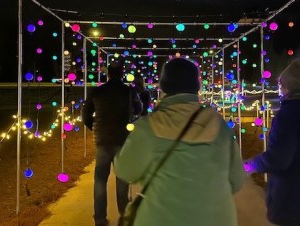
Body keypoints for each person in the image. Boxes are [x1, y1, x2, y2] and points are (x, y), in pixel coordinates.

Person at [114, 58, 246, 226]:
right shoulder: (219, 124)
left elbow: (126, 171)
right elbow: (237, 179)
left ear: (163, 86)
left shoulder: (148, 127)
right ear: (196, 86)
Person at [244, 59, 300, 226]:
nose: (279, 87)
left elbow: (277, 158)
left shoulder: (288, 114)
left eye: (281, 83)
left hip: (293, 203)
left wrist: (249, 166)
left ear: (290, 85)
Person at [82, 61, 142, 226]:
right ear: (122, 74)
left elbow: (85, 115)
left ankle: (100, 219)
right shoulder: (129, 91)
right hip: (123, 139)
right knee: (122, 178)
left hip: (102, 140)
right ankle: (124, 215)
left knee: (100, 180)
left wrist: (94, 128)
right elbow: (139, 109)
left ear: (108, 74)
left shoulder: (97, 91)